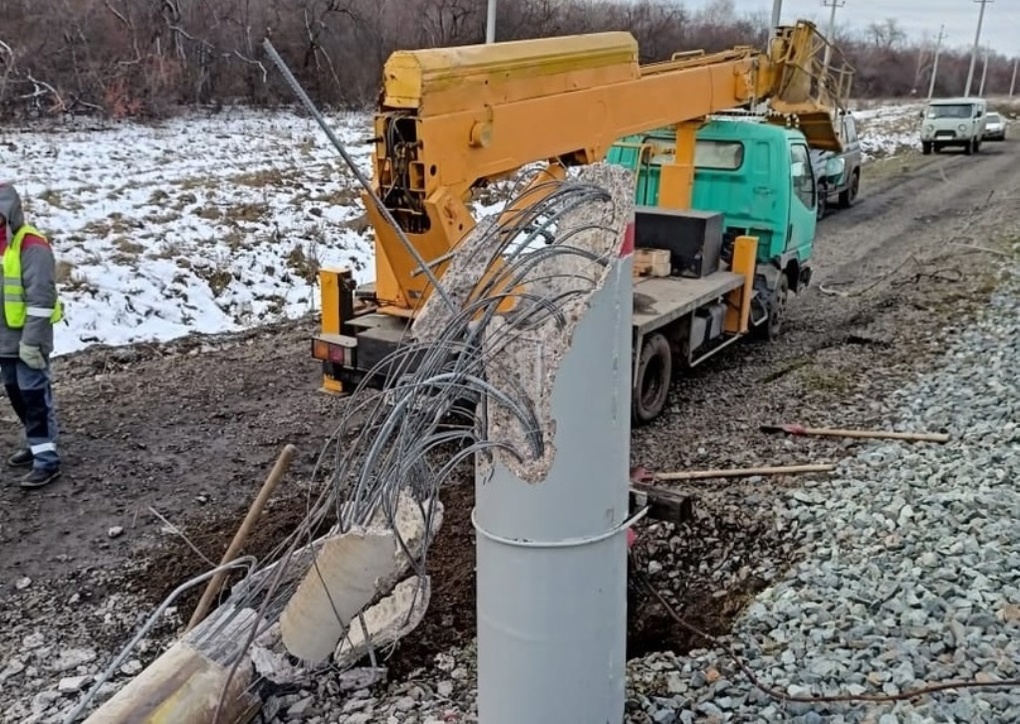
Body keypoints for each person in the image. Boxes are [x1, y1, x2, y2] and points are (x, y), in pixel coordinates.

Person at [0, 183, 63, 488]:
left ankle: (46, 460)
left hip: (28, 339)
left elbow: (41, 300)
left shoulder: (32, 246)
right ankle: (38, 442)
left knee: (34, 395)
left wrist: (32, 342)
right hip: (4, 341)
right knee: (16, 392)